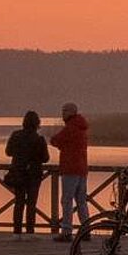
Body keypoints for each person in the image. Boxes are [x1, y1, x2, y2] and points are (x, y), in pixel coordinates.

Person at [3, 109, 49, 235]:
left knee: (19, 202)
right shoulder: (39, 139)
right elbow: (45, 158)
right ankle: (30, 231)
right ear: (37, 123)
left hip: (18, 173)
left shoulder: (15, 135)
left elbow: (8, 152)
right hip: (34, 175)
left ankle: (16, 231)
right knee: (31, 204)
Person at [50, 103, 90, 241]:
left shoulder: (70, 128)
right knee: (81, 201)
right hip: (82, 168)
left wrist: (61, 145)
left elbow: (55, 140)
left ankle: (67, 231)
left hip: (70, 168)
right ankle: (86, 229)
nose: (62, 113)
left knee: (67, 200)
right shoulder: (82, 128)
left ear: (71, 112)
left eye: (65, 111)